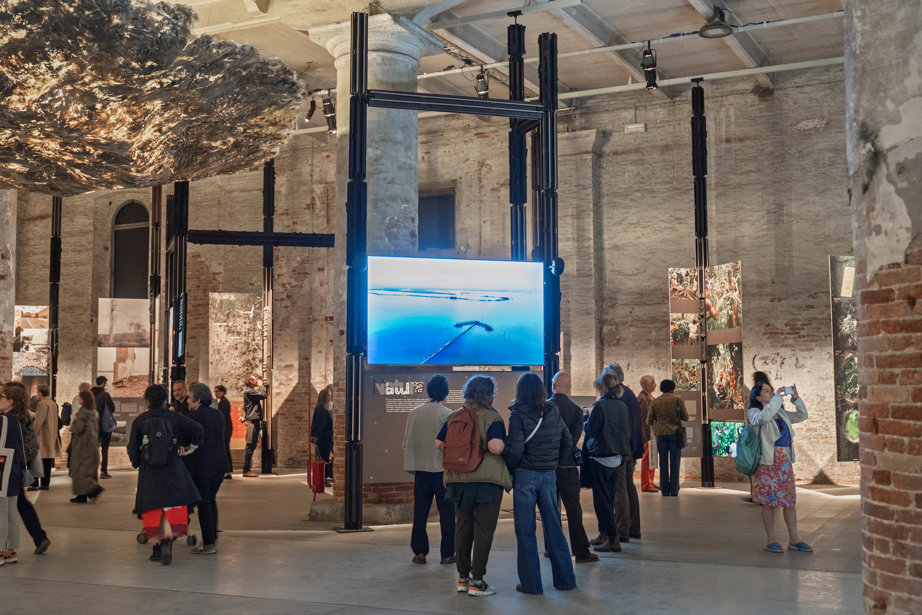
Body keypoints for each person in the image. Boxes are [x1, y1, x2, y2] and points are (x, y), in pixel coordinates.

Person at [436, 375, 511, 597]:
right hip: (486, 482)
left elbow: (438, 443)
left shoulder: (453, 417)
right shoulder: (492, 417)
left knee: (463, 528)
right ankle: (478, 581)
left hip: (458, 480)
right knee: (484, 530)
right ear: (489, 395)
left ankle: (462, 579)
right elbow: (496, 446)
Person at [504, 372, 576, 595]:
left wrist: (510, 468)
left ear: (520, 391)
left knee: (525, 531)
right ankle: (565, 580)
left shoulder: (517, 415)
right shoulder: (552, 410)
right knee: (553, 527)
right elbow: (568, 440)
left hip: (526, 475)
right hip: (548, 475)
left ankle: (531, 584)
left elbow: (515, 449)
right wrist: (556, 462)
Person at [127, 384, 203, 565]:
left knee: (153, 507)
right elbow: (197, 428)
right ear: (164, 399)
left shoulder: (140, 420)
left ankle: (156, 547)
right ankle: (168, 537)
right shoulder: (174, 416)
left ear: (147, 400)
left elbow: (132, 447)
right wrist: (190, 448)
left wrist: (137, 462)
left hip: (149, 470)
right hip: (172, 467)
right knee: (169, 505)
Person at [748, 381, 811, 553]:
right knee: (769, 502)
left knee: (789, 501)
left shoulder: (781, 412)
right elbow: (764, 417)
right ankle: (771, 539)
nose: (771, 393)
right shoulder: (755, 413)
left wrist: (795, 398)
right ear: (758, 397)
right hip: (767, 462)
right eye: (766, 391)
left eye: (771, 391)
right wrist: (777, 399)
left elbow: (802, 415)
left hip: (784, 462)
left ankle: (794, 538)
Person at [547, 371, 598, 563]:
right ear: (569, 388)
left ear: (553, 386)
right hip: (567, 466)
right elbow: (574, 440)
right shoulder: (576, 411)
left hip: (548, 466)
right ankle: (581, 551)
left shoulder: (544, 408)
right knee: (574, 510)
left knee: (551, 510)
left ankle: (552, 549)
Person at [403, 375, 454, 566]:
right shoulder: (448, 414)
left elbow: (406, 440)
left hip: (421, 470)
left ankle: (420, 552)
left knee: (420, 513)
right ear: (446, 392)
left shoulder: (414, 413)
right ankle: (447, 554)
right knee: (447, 514)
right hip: (442, 471)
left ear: (428, 391)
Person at [584, 370, 632, 553]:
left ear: (602, 388)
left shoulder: (601, 406)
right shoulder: (622, 406)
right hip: (617, 456)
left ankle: (612, 538)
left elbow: (592, 430)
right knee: (610, 498)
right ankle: (605, 533)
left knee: (601, 500)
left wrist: (585, 420)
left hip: (601, 456)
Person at [3, 382, 51, 556]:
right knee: (21, 504)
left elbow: (27, 445)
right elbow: (31, 445)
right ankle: (38, 537)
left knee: (14, 506)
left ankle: (9, 548)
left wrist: (19, 461)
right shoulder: (24, 417)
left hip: (11, 467)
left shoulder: (12, 420)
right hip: (17, 466)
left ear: (11, 400)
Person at [602, 363, 643, 542]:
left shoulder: (619, 396)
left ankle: (621, 530)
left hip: (621, 449)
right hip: (630, 447)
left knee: (620, 489)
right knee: (627, 486)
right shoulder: (630, 394)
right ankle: (632, 528)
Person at [185, 383, 226, 554]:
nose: (187, 400)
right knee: (211, 500)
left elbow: (187, 439)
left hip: (202, 466)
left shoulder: (194, 417)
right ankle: (212, 538)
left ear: (198, 399)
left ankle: (209, 544)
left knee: (204, 504)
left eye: (189, 396)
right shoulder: (219, 415)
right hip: (219, 464)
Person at [647, 379, 689, 497]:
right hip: (675, 434)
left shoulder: (656, 401)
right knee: (675, 462)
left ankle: (665, 490)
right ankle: (674, 490)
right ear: (673, 388)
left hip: (660, 435)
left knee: (663, 463)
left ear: (661, 388)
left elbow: (649, 420)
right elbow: (685, 417)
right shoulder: (677, 400)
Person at [0, 382, 25, 565]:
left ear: (10, 401)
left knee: (2, 511)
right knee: (11, 511)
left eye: (1, 397)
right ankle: (11, 551)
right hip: (14, 470)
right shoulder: (19, 420)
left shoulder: (3, 421)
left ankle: (0, 551)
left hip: (2, 470)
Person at [69, 390, 104, 503]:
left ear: (83, 399)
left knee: (79, 470)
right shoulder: (94, 413)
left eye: (79, 397)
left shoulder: (81, 414)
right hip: (92, 445)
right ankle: (83, 495)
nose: (78, 399)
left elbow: (78, 429)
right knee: (87, 471)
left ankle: (92, 491)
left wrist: (72, 425)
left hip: (81, 446)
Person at [31, 384, 60, 491]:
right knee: (47, 461)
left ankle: (36, 483)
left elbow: (39, 421)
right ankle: (45, 483)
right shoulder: (52, 403)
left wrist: (33, 433)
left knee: (38, 460)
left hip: (43, 435)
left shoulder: (42, 403)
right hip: (51, 434)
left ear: (40, 393)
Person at [240, 374, 266, 477]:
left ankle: (247, 469)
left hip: (253, 420)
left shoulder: (249, 391)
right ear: (251, 381)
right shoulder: (249, 391)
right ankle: (246, 470)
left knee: (252, 445)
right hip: (252, 421)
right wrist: (261, 385)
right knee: (250, 446)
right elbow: (263, 395)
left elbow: (245, 406)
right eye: (255, 379)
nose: (257, 379)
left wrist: (243, 415)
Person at [637, 375, 659, 493]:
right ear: (647, 385)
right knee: (647, 459)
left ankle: (650, 481)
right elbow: (645, 419)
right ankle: (645, 484)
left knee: (652, 458)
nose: (655, 385)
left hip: (652, 432)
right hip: (647, 433)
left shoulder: (648, 396)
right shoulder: (643, 398)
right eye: (653, 383)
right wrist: (648, 436)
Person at [91, 376, 116, 479]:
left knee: (93, 448)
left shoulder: (90, 394)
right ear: (104, 383)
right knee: (104, 449)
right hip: (104, 425)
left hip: (93, 425)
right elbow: (112, 408)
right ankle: (103, 471)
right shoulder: (105, 395)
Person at [310, 385, 333, 483]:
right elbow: (322, 426)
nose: (330, 398)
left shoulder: (320, 409)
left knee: (322, 458)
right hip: (323, 439)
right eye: (328, 396)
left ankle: (322, 479)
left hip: (322, 439)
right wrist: (330, 433)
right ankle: (322, 479)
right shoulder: (322, 410)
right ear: (324, 397)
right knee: (323, 459)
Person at [213, 385, 233, 479]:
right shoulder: (223, 402)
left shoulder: (223, 403)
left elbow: (222, 418)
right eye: (215, 391)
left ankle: (227, 471)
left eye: (217, 391)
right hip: (227, 428)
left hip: (225, 429)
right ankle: (227, 470)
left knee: (224, 450)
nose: (216, 393)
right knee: (225, 449)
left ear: (222, 392)